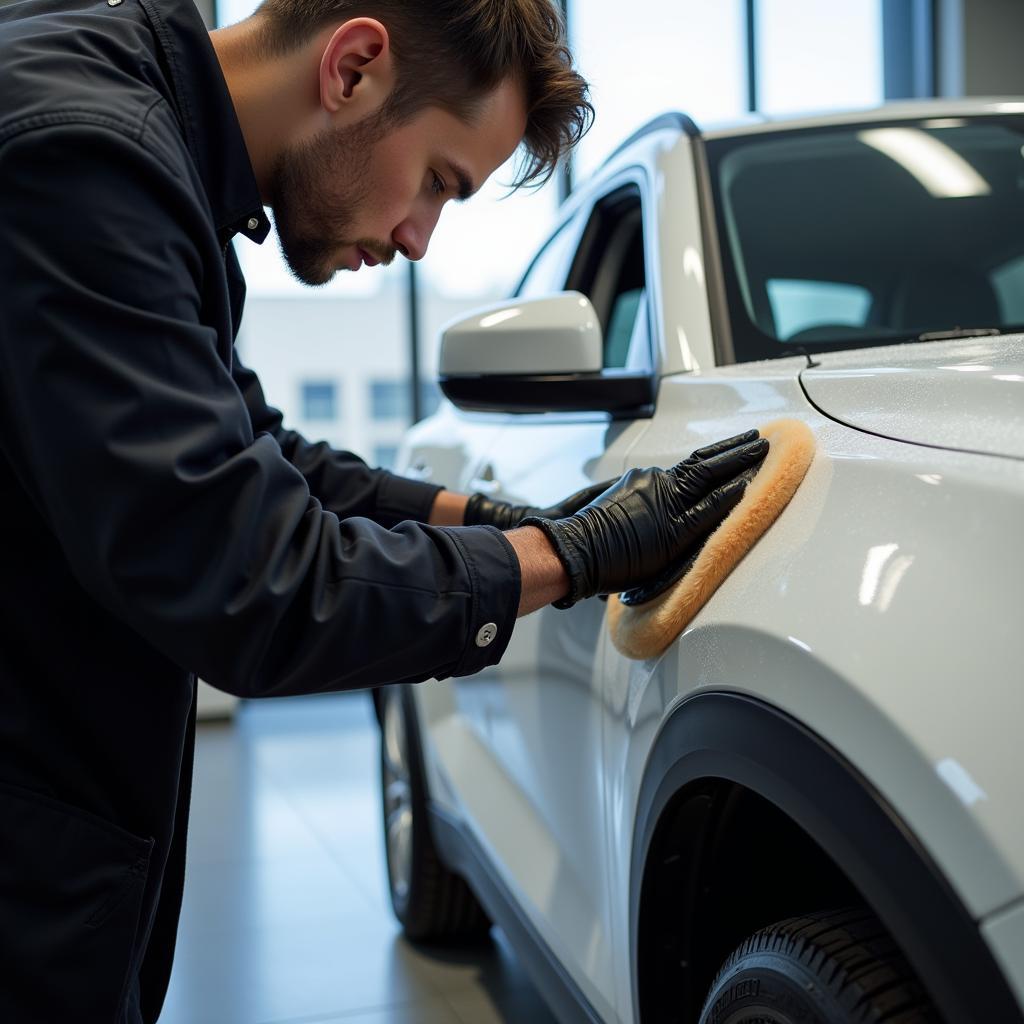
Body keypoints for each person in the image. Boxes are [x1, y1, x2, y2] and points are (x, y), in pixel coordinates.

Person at [0, 0, 767, 1019]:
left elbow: (259, 455)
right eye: (440, 183)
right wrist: (570, 553)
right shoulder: (86, 164)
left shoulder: (142, 139)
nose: (416, 238)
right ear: (353, 66)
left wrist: (490, 516)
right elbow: (254, 580)